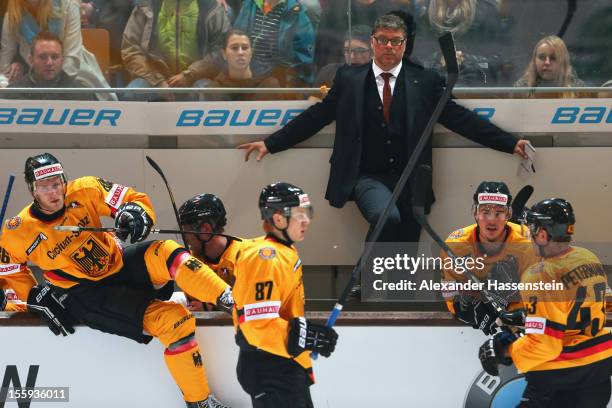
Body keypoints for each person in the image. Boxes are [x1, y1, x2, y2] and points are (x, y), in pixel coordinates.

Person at [239, 14, 530, 250]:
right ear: (373, 43)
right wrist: (272, 143)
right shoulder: (349, 79)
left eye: (395, 41)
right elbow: (317, 116)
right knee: (386, 218)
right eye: (382, 40)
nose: (388, 46)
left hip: (413, 176)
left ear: (404, 45)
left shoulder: (424, 81)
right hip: (366, 175)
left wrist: (508, 143)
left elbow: (459, 119)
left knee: (407, 243)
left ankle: (396, 303)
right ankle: (364, 285)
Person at [0, 153, 233, 408]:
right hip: (86, 293)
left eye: (57, 184)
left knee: (167, 250)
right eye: (45, 187)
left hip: (119, 265)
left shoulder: (86, 188)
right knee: (175, 321)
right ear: (33, 190)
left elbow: (133, 199)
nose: (54, 193)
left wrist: (135, 214)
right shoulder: (18, 230)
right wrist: (32, 295)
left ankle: (228, 297)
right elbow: (8, 266)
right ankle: (199, 403)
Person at [479, 198, 612, 407]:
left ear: (542, 235)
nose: (529, 236)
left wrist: (505, 351)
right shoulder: (589, 258)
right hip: (598, 376)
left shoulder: (539, 276)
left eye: (532, 230)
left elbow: (545, 345)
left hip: (559, 378)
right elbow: (579, 304)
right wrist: (528, 315)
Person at [232, 182, 338, 407]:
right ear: (279, 219)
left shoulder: (283, 251)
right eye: (300, 214)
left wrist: (304, 336)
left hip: (281, 366)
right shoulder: (265, 257)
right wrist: (302, 337)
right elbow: (257, 323)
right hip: (271, 368)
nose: (306, 220)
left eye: (308, 213)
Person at [443, 181, 539, 334]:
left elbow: (536, 296)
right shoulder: (455, 245)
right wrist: (462, 308)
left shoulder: (527, 244)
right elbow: (450, 294)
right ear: (475, 213)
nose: (491, 220)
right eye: (485, 212)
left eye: (499, 213)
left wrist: (511, 314)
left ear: (508, 213)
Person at [0, 0, 114, 100]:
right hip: (34, 76)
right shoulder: (12, 15)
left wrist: (48, 93)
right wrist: (12, 72)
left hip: (74, 73)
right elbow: (4, 62)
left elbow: (71, 56)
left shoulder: (69, 5)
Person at [121, 0, 230, 101]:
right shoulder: (145, 5)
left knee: (206, 92)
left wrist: (190, 75)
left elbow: (220, 52)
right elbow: (130, 48)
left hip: (198, 78)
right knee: (133, 93)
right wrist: (157, 81)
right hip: (153, 79)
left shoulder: (212, 8)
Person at [233, 0, 316, 87]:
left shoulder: (296, 13)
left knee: (270, 86)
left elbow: (304, 61)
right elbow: (236, 37)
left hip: (277, 78)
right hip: (244, 72)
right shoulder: (250, 4)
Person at [4, 31, 94, 100]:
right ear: (31, 60)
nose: (49, 62)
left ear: (62, 60)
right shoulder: (11, 93)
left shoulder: (82, 94)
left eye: (55, 57)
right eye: (42, 57)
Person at [205, 29, 280, 101]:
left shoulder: (269, 86)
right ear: (224, 54)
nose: (240, 53)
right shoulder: (214, 89)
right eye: (234, 48)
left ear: (251, 53)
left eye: (245, 48)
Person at [514, 36, 584, 99]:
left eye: (553, 58)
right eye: (542, 57)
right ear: (534, 61)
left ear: (563, 63)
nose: (547, 62)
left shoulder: (578, 89)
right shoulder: (521, 88)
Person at [313, 24, 373, 96]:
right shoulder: (329, 71)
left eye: (359, 50)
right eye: (347, 50)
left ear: (373, 52)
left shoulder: (380, 76)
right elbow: (313, 100)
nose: (352, 56)